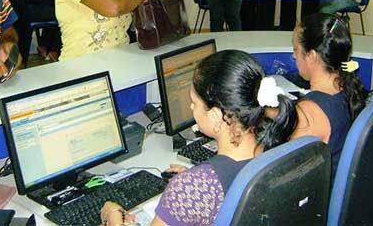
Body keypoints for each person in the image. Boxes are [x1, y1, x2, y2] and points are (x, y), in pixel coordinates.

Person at [101, 50, 298, 226]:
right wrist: (193, 180)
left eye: (194, 103)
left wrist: (113, 218)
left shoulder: (194, 187)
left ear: (215, 116)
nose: (191, 108)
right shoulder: (278, 150)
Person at [290, 13, 370, 171]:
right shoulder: (349, 89)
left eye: (296, 49)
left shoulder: (309, 113)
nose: (293, 56)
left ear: (311, 56)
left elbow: (285, 175)